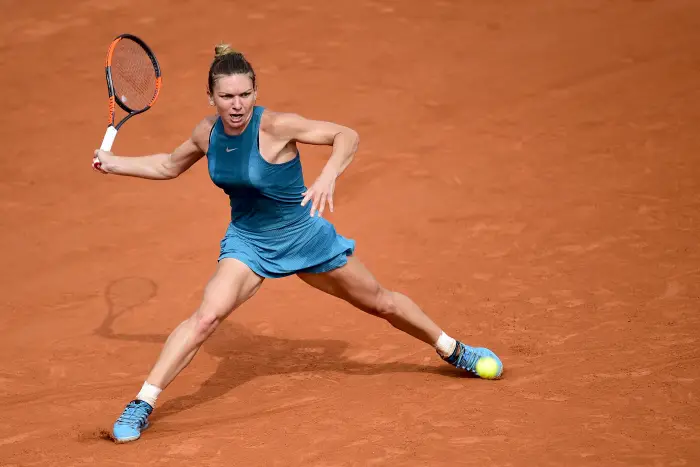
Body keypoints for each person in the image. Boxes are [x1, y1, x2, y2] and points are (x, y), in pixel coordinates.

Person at [92, 44, 503, 444]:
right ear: (211, 98)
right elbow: (168, 165)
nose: (237, 105)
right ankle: (142, 403)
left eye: (244, 94)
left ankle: (453, 349)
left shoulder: (276, 126)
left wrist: (327, 176)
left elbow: (346, 135)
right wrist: (115, 164)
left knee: (381, 302)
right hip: (249, 243)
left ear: (255, 92)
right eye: (227, 97)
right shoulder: (207, 133)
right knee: (205, 318)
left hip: (304, 237)